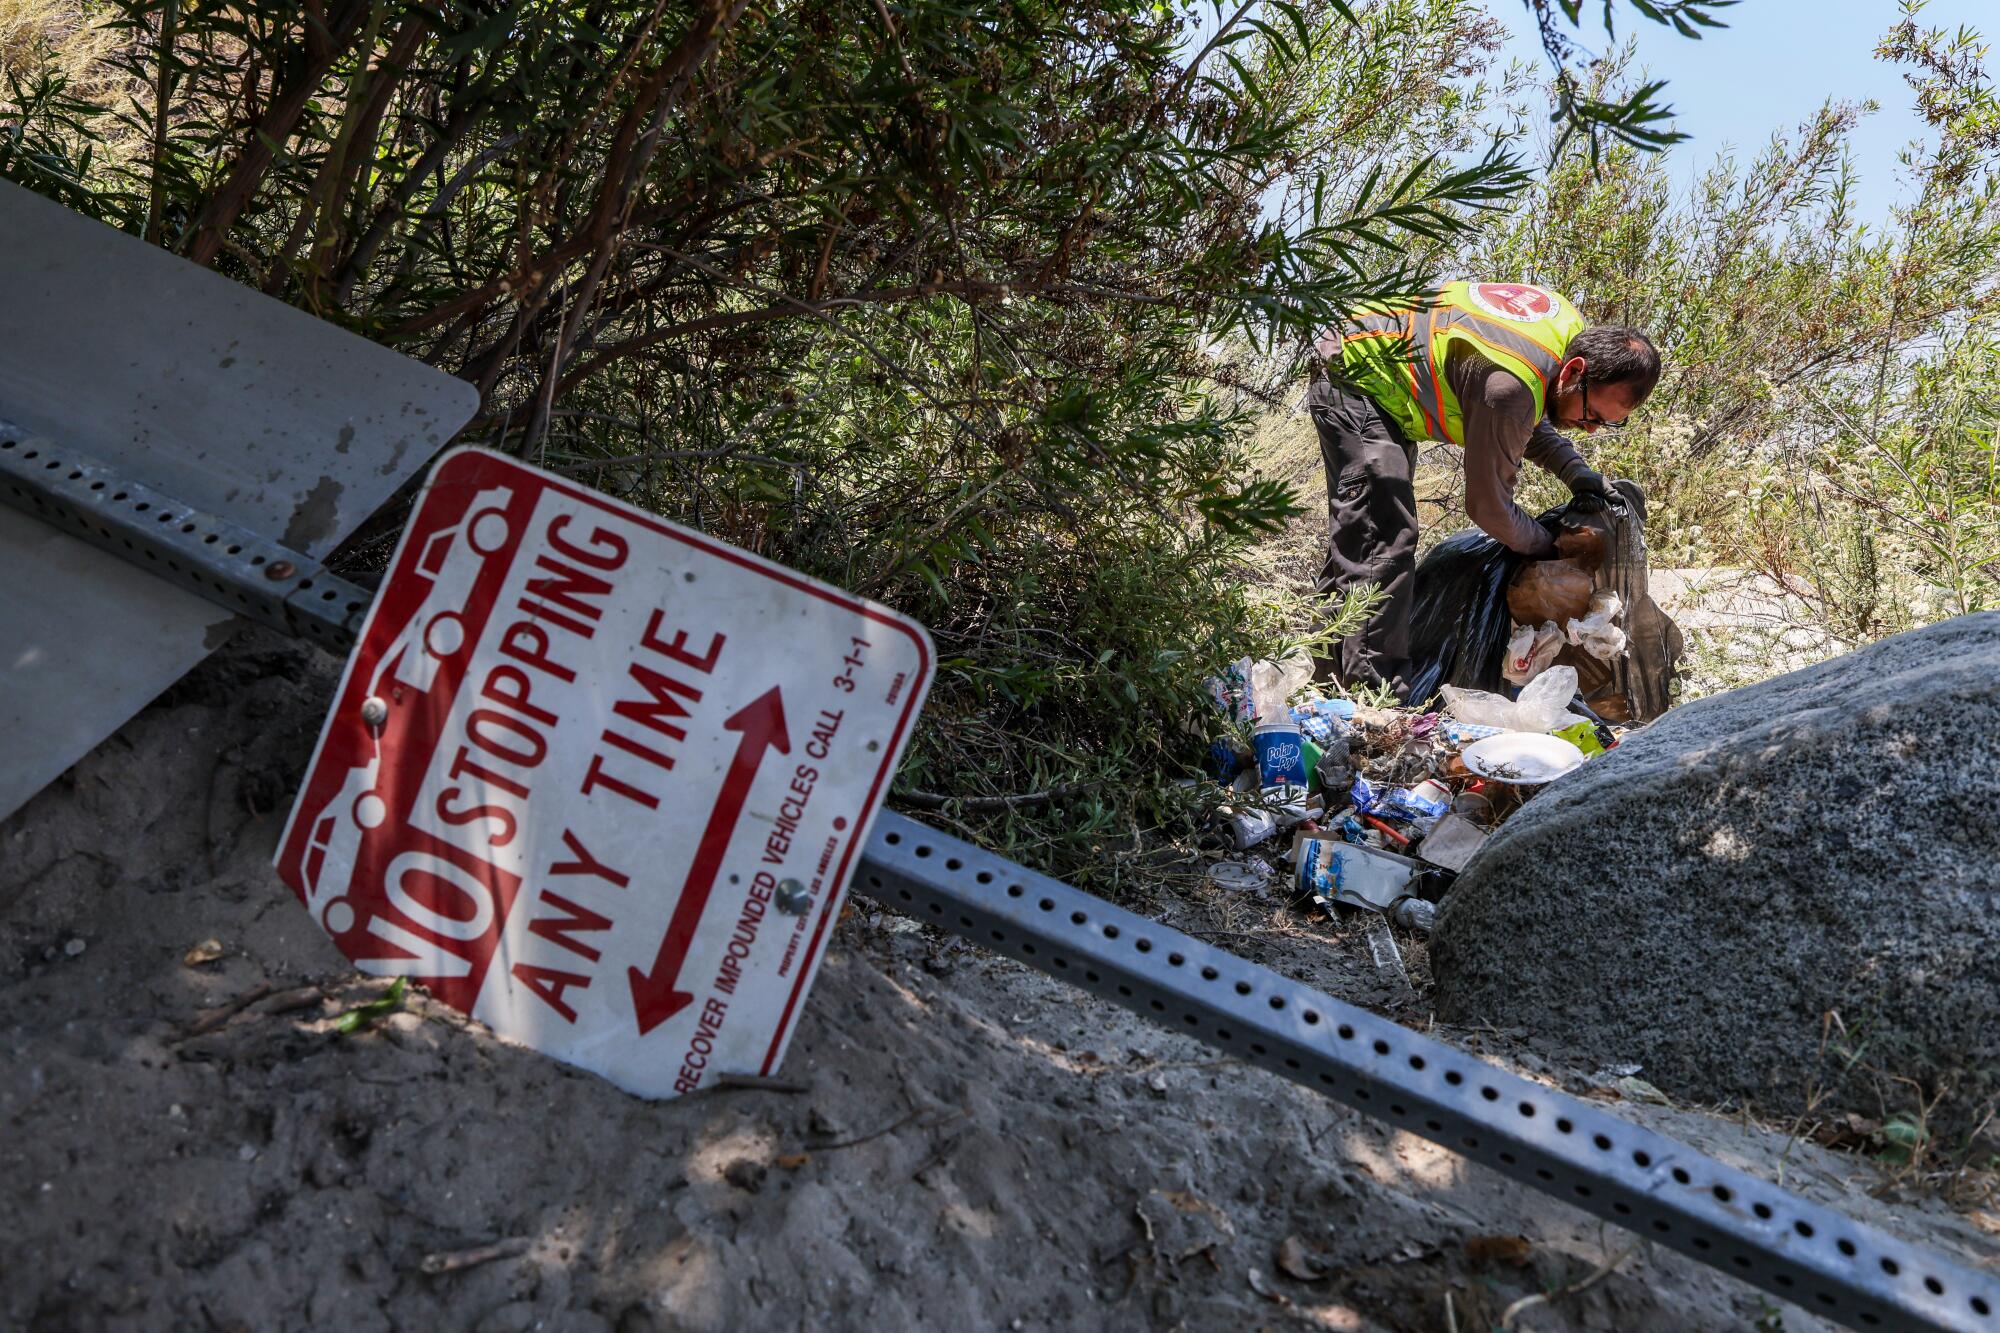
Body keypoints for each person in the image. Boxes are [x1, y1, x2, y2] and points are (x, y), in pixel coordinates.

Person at [1307, 280, 1660, 698]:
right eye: (1593, 415)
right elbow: (1488, 507)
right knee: (1380, 537)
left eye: (1608, 423)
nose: (1591, 428)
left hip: (1378, 369)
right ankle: (1372, 694)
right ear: (1575, 371)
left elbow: (1529, 415)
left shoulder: (1566, 337)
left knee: (1366, 532)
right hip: (1355, 373)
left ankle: (1326, 678)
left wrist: (1575, 471)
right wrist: (1548, 549)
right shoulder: (1511, 383)